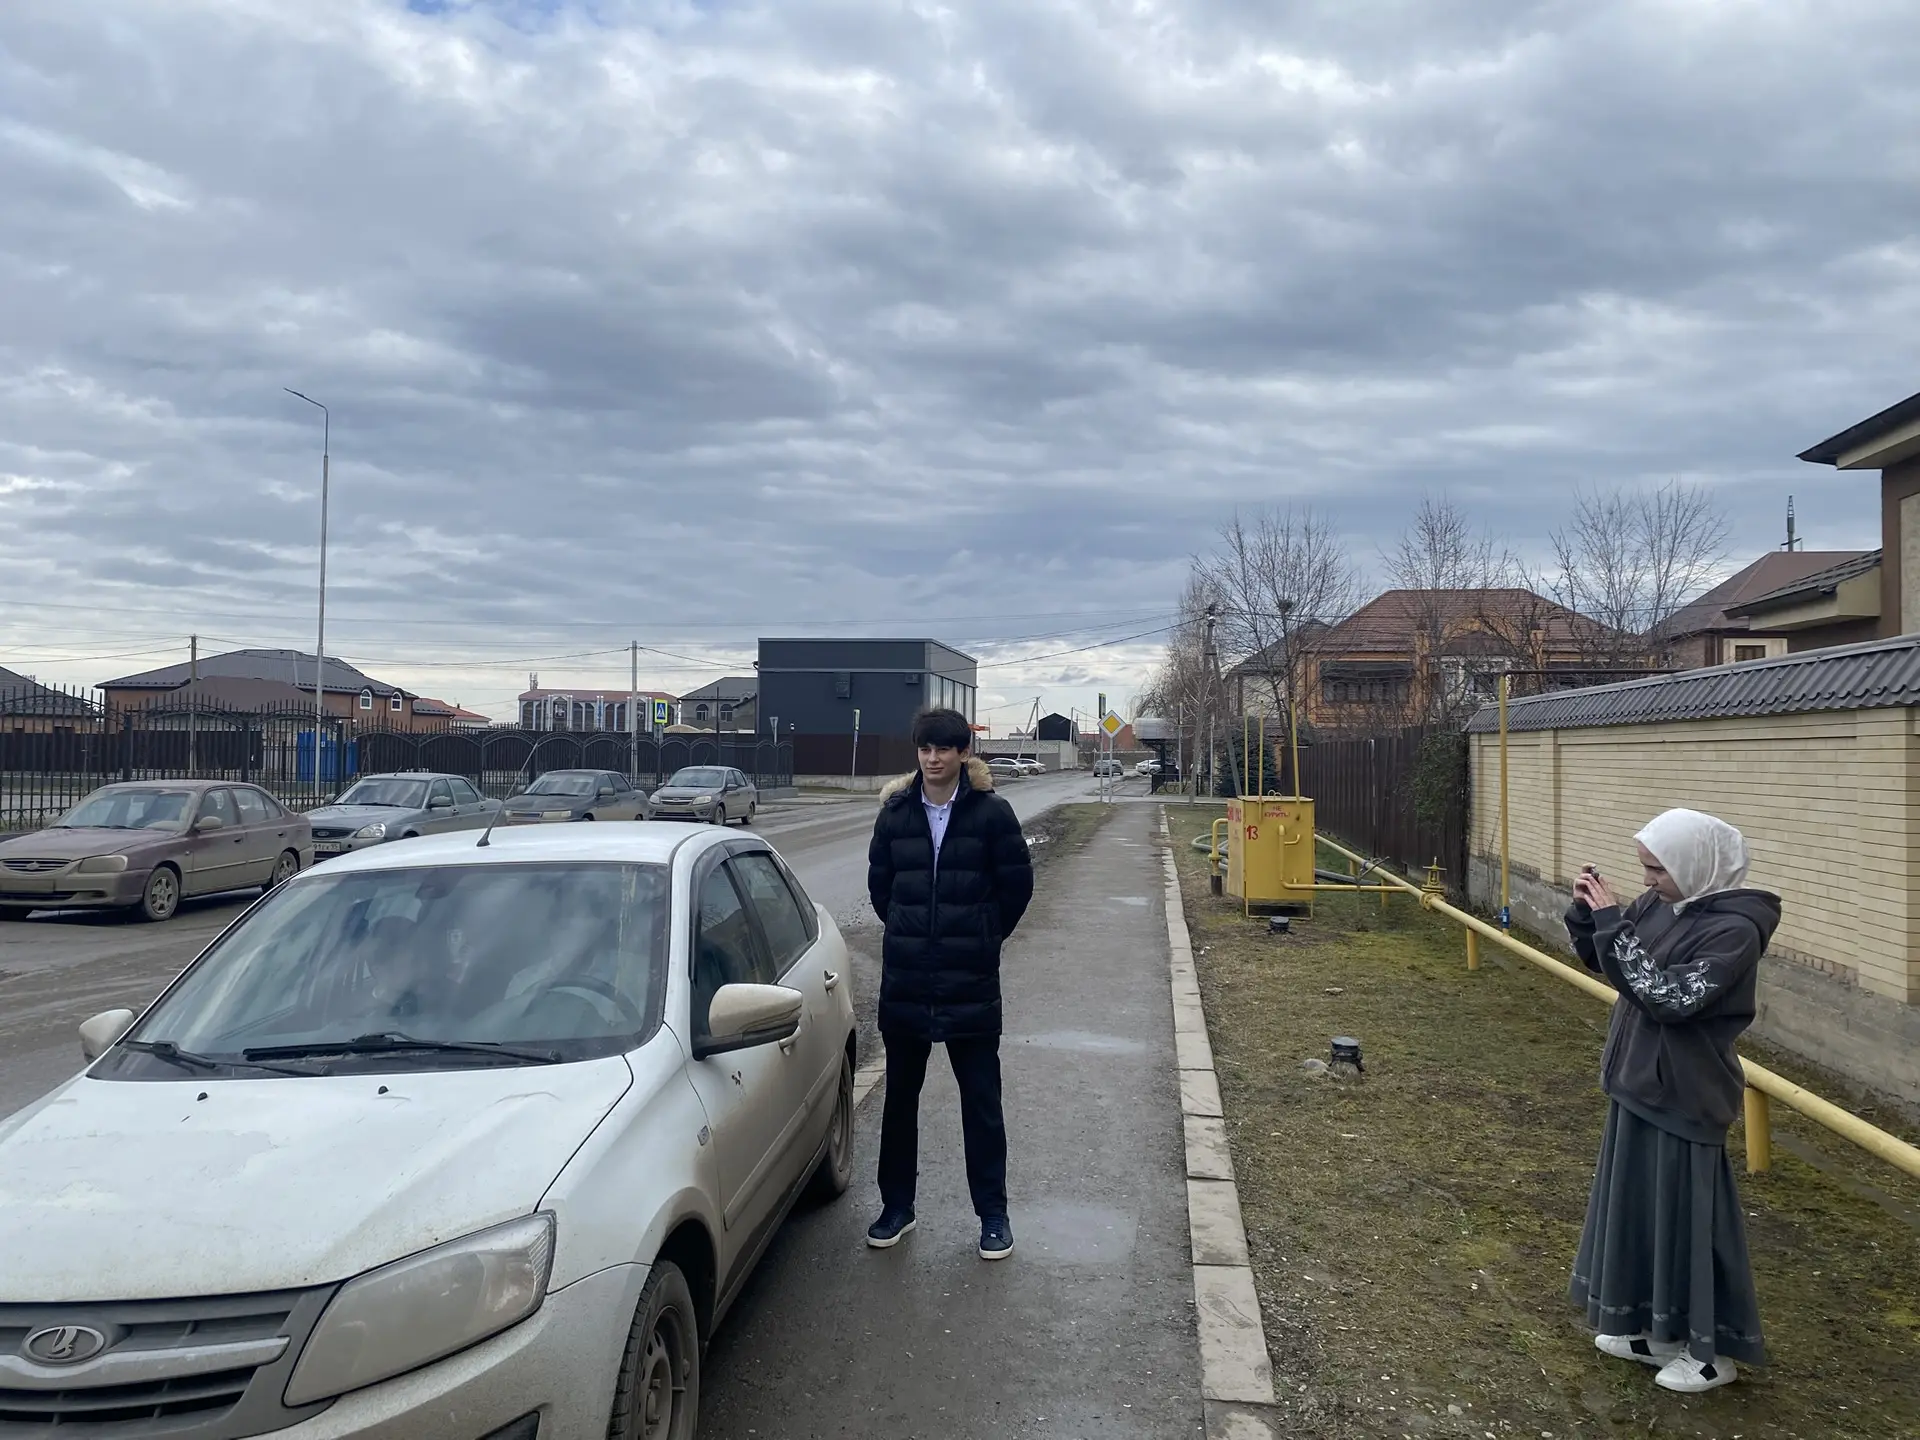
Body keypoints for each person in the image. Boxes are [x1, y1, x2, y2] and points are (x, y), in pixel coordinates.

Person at [1566, 808, 1780, 1395]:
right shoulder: (1662, 905)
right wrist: (1588, 918)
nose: (1647, 880)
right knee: (1641, 1214)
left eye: (1658, 869)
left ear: (1696, 866)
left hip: (1685, 1095)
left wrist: (1612, 924)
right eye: (1645, 867)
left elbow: (1667, 997)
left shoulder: (1735, 931)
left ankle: (1710, 1354)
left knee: (1689, 1224)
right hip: (1637, 1083)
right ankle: (1653, 1333)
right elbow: (1613, 964)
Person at [865, 706, 1034, 1260]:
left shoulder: (992, 814)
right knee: (899, 1103)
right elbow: (881, 890)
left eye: (943, 749)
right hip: (907, 983)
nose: (933, 759)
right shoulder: (895, 814)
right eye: (925, 749)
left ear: (964, 753)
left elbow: (1016, 888)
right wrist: (913, 931)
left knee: (981, 1104)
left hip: (970, 984)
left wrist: (983, 937)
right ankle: (897, 1207)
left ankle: (993, 1215)